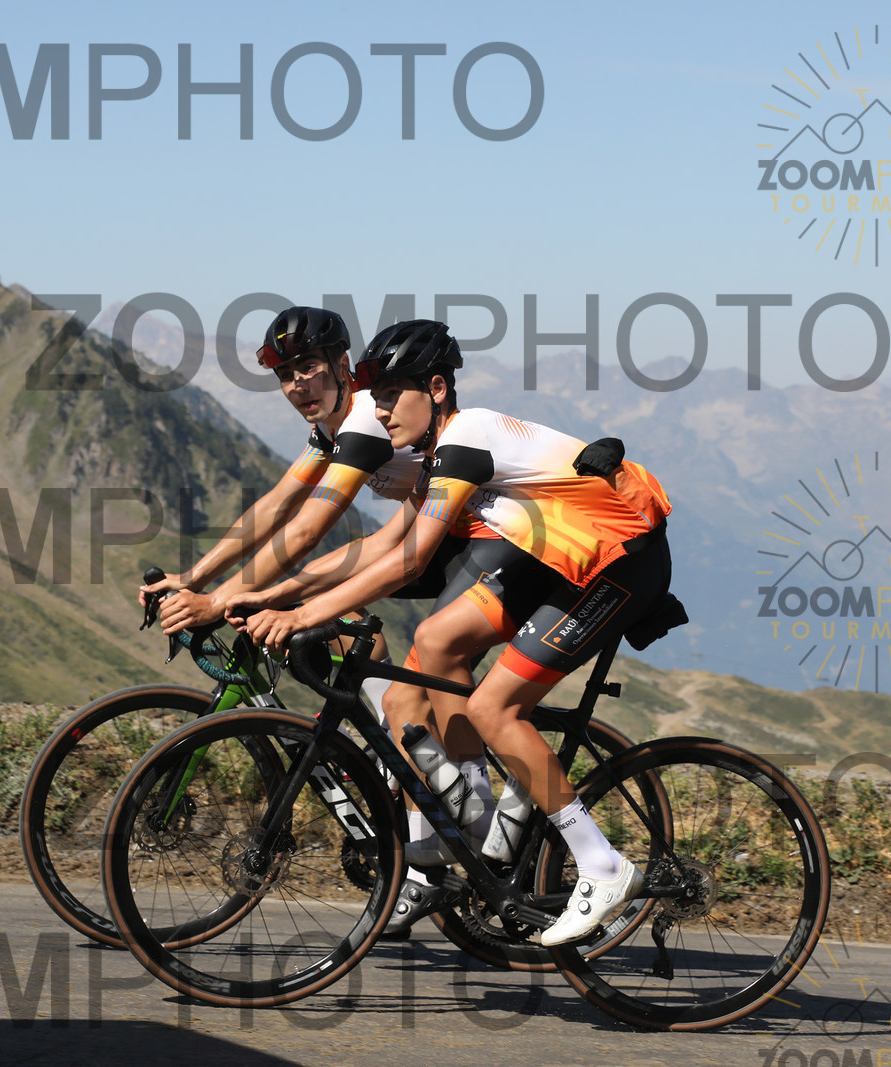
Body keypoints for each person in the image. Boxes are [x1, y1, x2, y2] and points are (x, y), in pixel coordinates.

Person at [239, 320, 673, 946]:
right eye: (376, 398)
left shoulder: (467, 436)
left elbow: (411, 561)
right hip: (555, 561)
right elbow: (386, 547)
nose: (380, 412)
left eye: (392, 396)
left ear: (437, 389)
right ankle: (475, 807)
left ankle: (602, 864)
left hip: (620, 563)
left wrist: (302, 614)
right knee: (432, 651)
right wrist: (274, 596)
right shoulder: (440, 455)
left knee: (494, 708)